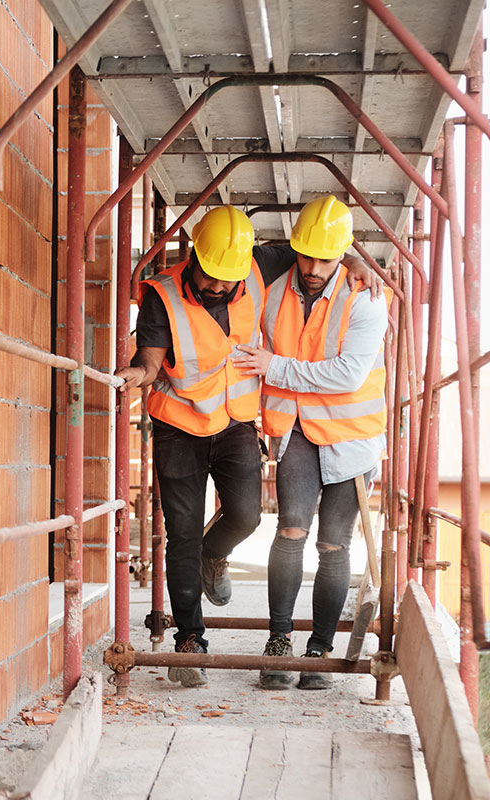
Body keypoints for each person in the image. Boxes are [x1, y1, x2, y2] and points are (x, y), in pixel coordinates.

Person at [115, 205, 379, 688]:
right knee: (183, 535)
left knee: (247, 516)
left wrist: (358, 260)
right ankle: (189, 643)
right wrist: (141, 372)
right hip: (178, 424)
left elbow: (321, 252)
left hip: (237, 421)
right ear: (194, 255)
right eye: (212, 276)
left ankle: (216, 556)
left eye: (229, 278)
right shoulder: (162, 294)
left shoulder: (258, 264)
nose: (221, 286)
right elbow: (151, 355)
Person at [231, 196, 389, 690]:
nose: (314, 267)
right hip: (297, 427)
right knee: (292, 531)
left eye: (326, 258)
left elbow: (348, 374)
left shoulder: (364, 297)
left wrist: (273, 367)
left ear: (343, 254)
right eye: (307, 256)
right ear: (294, 248)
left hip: (352, 438)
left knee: (333, 544)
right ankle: (279, 643)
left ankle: (319, 650)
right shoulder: (274, 285)